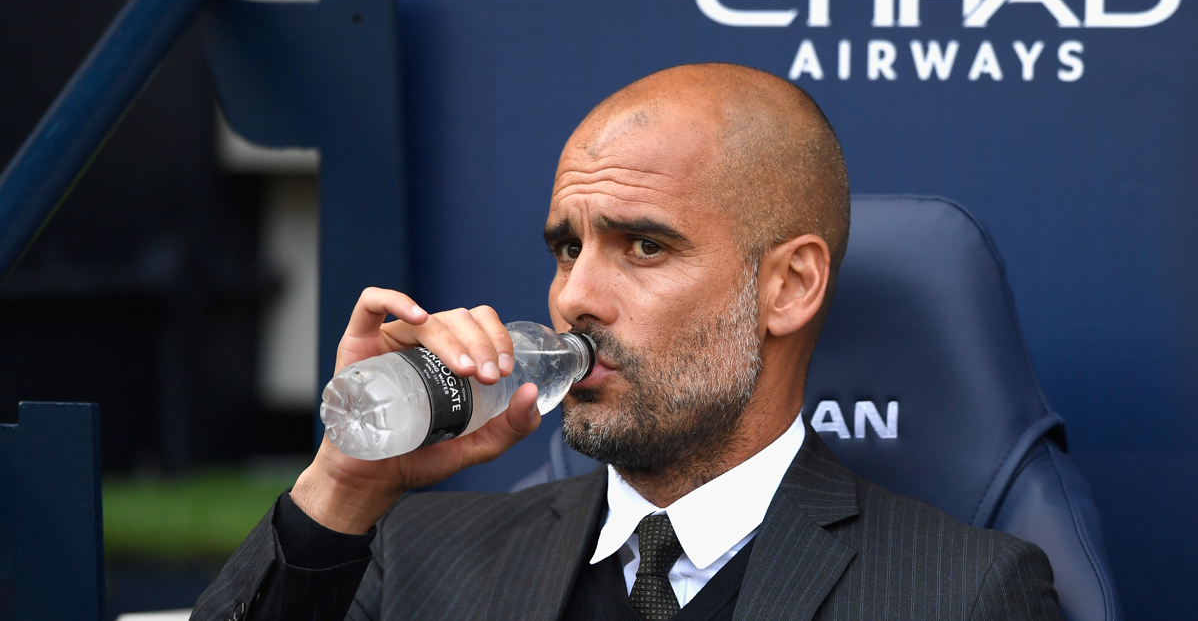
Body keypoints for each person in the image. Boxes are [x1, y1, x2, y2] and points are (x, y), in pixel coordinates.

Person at [192, 63, 1062, 621]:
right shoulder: (421, 556)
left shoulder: (958, 593)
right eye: (567, 248)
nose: (574, 297)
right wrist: (344, 485)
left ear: (789, 286)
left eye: (644, 245)